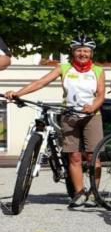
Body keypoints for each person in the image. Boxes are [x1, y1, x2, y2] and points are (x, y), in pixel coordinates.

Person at [5, 34, 105, 208]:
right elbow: (41, 82)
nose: (82, 54)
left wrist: (93, 106)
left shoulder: (97, 70)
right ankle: (80, 193)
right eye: (79, 50)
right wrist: (18, 93)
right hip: (69, 115)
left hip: (92, 116)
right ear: (73, 52)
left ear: (91, 53)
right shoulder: (63, 67)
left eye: (86, 51)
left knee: (92, 156)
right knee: (73, 156)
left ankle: (94, 193)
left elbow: (101, 94)